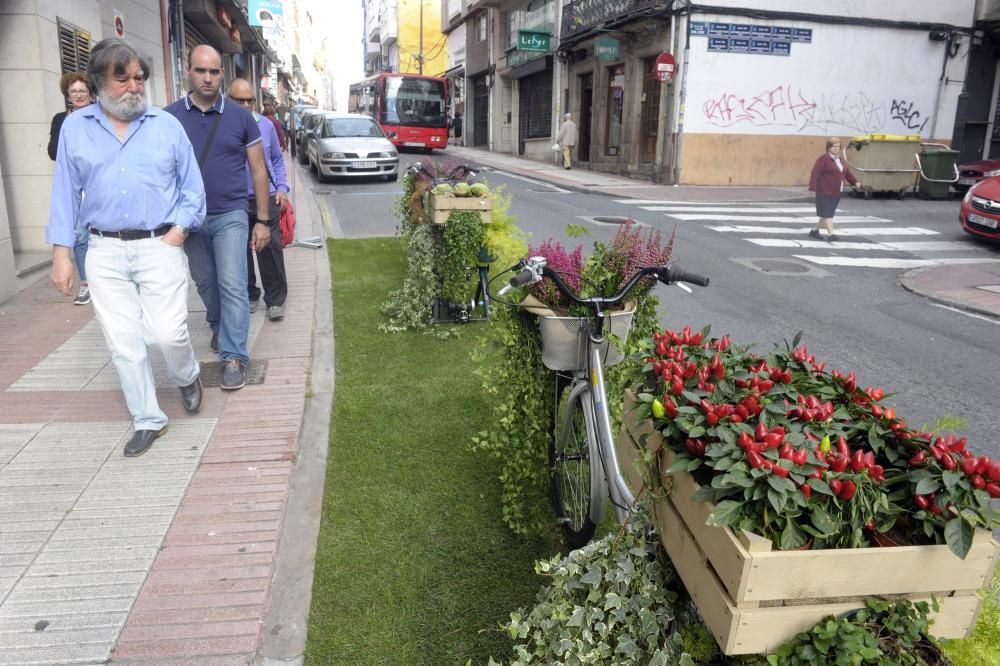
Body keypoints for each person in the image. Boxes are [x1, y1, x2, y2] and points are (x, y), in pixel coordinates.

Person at [46, 38, 205, 457]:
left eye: (139, 77)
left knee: (167, 333)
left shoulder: (166, 125)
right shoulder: (75, 129)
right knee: (123, 340)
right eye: (124, 78)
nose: (135, 85)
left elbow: (192, 188)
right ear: (98, 82)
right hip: (103, 250)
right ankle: (148, 417)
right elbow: (64, 191)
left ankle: (187, 374)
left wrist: (179, 230)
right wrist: (62, 253)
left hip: (159, 244)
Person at [165, 45, 270, 391]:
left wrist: (263, 220)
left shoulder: (240, 117)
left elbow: (258, 169)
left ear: (221, 74)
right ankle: (218, 325)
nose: (208, 78)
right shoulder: (169, 119)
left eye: (214, 72)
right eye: (201, 71)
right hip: (188, 219)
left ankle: (234, 357)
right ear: (188, 72)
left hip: (231, 213)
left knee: (233, 284)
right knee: (206, 282)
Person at [229, 79, 289, 321]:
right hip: (235, 199)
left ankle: (275, 300)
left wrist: (282, 188)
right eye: (239, 100)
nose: (245, 105)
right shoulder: (223, 125)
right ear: (229, 99)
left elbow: (276, 159)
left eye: (249, 100)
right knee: (239, 250)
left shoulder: (265, 125)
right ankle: (249, 294)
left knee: (270, 248)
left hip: (267, 196)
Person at [48, 71, 94, 305]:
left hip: (94, 182)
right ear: (67, 94)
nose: (77, 95)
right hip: (74, 183)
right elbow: (53, 151)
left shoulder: (99, 116)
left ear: (90, 93)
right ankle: (87, 284)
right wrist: (67, 130)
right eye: (73, 91)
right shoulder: (61, 119)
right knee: (79, 235)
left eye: (82, 91)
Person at [808, 137, 861, 242]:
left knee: (826, 213)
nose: (836, 148)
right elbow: (815, 173)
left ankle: (815, 231)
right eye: (833, 146)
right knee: (828, 214)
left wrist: (855, 181)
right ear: (828, 147)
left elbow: (847, 173)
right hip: (824, 191)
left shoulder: (840, 160)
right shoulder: (823, 159)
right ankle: (831, 234)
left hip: (836, 191)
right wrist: (812, 187)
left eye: (838, 146)